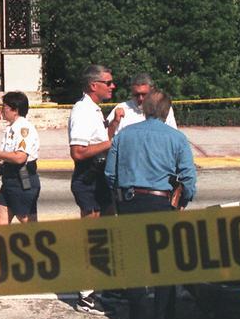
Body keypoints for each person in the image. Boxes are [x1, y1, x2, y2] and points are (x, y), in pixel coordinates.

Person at [104, 90, 197, 319]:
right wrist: (182, 202)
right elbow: (188, 178)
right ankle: (163, 313)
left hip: (130, 201)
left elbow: (110, 174)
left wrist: (120, 199)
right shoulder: (177, 138)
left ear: (145, 109)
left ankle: (138, 313)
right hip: (161, 203)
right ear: (167, 112)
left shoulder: (124, 136)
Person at [68, 64, 116, 314]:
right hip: (88, 178)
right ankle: (85, 297)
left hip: (100, 177)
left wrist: (114, 126)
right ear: (93, 85)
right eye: (108, 82)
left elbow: (101, 141)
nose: (112, 86)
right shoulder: (82, 111)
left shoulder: (94, 110)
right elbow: (78, 152)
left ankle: (101, 288)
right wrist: (112, 142)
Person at [0, 91, 41, 225]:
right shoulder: (11, 128)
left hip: (22, 178)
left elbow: (20, 157)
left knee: (26, 220)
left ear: (15, 110)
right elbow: (8, 155)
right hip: (9, 179)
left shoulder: (24, 129)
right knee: (0, 220)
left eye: (4, 107)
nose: (2, 110)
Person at [106, 73, 177, 137]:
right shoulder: (121, 108)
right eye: (136, 95)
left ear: (152, 90)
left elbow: (174, 135)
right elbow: (105, 138)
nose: (140, 98)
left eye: (144, 94)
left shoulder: (163, 107)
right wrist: (115, 122)